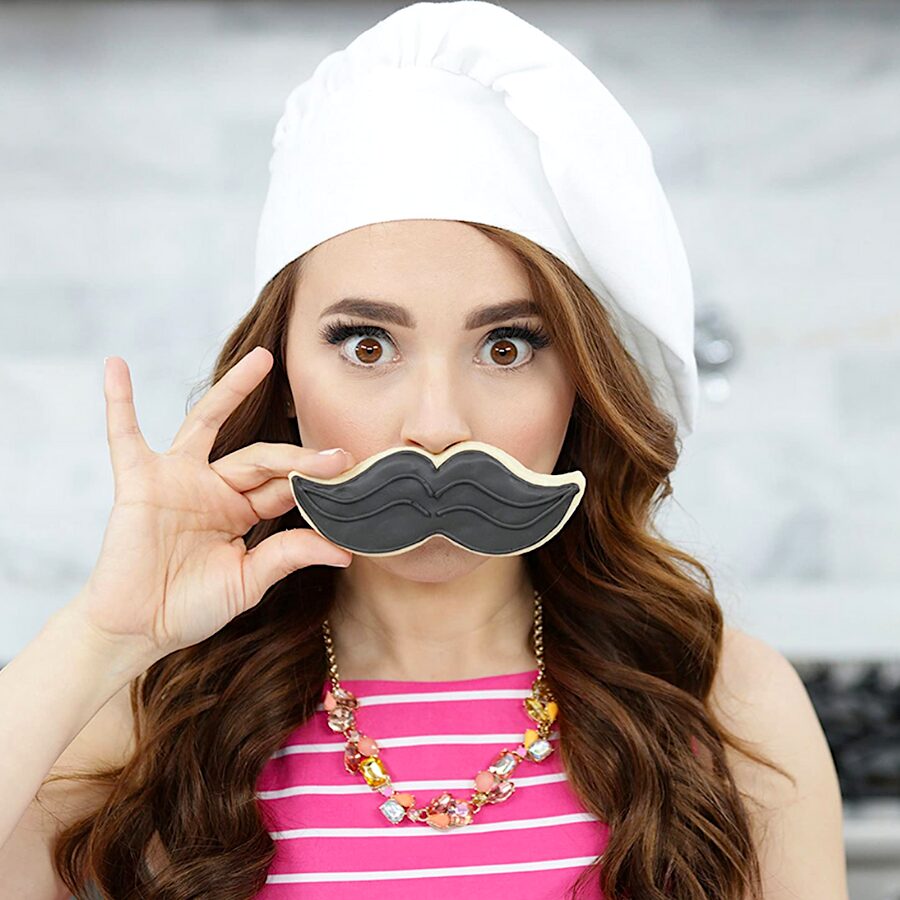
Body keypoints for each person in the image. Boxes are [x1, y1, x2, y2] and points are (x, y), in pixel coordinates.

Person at [0, 3, 847, 899]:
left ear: (581, 382)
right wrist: (102, 637)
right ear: (282, 374)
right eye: (367, 346)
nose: (438, 425)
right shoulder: (141, 714)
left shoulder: (728, 702)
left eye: (507, 347)